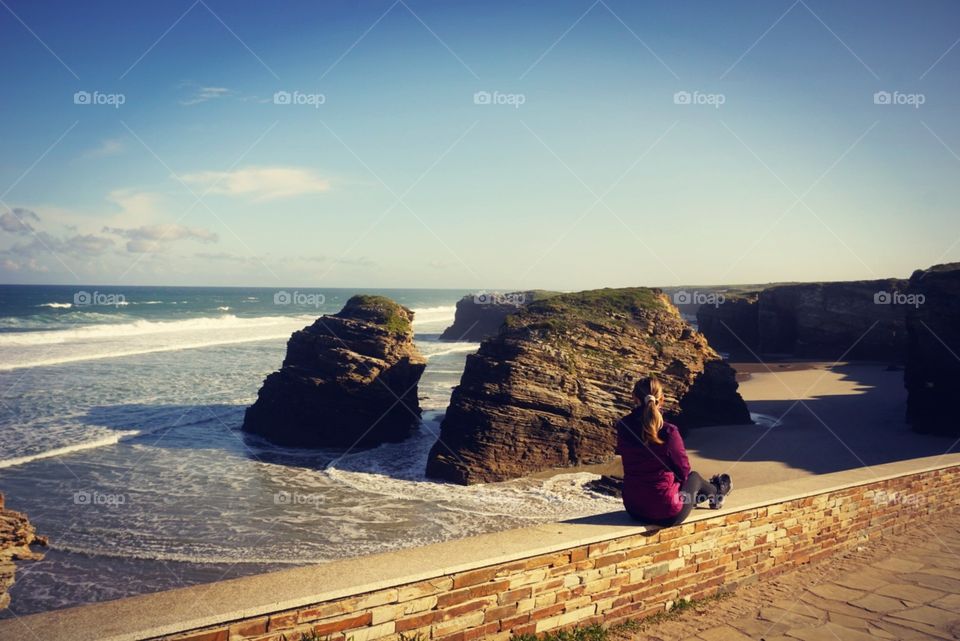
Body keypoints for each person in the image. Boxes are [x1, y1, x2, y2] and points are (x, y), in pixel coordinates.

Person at [615, 376, 732, 527]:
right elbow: (684, 470)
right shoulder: (668, 431)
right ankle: (717, 493)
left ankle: (705, 494)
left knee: (685, 484)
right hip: (667, 513)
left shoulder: (623, 426)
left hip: (634, 508)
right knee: (694, 477)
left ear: (634, 398)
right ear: (661, 399)